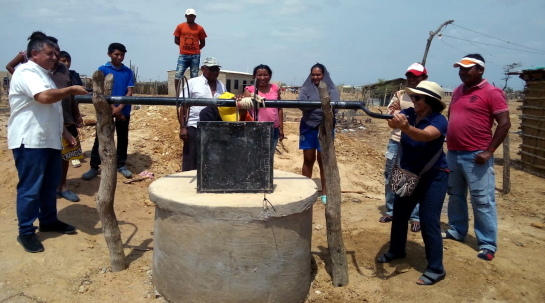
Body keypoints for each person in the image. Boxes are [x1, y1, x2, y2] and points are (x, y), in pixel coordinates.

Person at [8, 37, 88, 253]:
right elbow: (44, 98)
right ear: (34, 54)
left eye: (56, 53)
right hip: (31, 140)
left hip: (50, 140)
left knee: (49, 185)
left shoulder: (45, 75)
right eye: (50, 54)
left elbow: (53, 108)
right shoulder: (26, 72)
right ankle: (26, 231)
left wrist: (64, 133)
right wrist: (70, 90)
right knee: (30, 188)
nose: (55, 57)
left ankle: (48, 220)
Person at [377, 81, 449, 285]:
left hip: (434, 177)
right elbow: (392, 123)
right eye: (413, 97)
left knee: (428, 221)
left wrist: (405, 127)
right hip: (409, 174)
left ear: (431, 101)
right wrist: (395, 121)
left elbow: (426, 136)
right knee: (399, 215)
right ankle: (397, 250)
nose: (413, 100)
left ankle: (436, 268)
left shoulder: (439, 120)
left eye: (418, 97)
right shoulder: (408, 113)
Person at [444, 54, 511, 261]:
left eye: (467, 69)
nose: (462, 72)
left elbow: (504, 123)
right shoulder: (457, 91)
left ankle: (487, 243)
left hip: (476, 155)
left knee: (482, 201)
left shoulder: (492, 92)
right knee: (455, 195)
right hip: (454, 153)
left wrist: (489, 150)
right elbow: (451, 117)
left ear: (480, 70)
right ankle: (457, 230)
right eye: (461, 69)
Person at [380, 63, 428, 232]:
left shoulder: (429, 95)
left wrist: (402, 120)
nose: (413, 79)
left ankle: (415, 216)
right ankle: (392, 210)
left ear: (424, 78)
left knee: (415, 177)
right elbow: (391, 118)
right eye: (410, 76)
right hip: (397, 141)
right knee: (390, 175)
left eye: (417, 76)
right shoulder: (400, 94)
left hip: (418, 142)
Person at [82, 43, 135, 180]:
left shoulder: (128, 72)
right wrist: (113, 109)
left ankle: (121, 165)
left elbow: (129, 92)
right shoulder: (102, 70)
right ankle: (94, 166)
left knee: (123, 138)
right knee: (101, 137)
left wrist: (119, 109)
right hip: (106, 111)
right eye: (116, 54)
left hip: (124, 111)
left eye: (122, 55)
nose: (119, 57)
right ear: (109, 54)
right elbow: (100, 92)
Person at [298, 63, 339, 204]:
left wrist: (312, 107)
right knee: (308, 159)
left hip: (326, 128)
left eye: (318, 74)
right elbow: (301, 104)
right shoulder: (305, 88)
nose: (315, 77)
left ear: (324, 75)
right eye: (313, 74)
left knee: (324, 162)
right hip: (308, 127)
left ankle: (325, 193)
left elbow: (334, 108)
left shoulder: (331, 89)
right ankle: (305, 191)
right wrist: (321, 106)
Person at [49, 44, 84, 202]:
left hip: (67, 119)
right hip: (47, 121)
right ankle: (49, 188)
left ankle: (62, 186)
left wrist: (76, 114)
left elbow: (72, 95)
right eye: (52, 51)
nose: (55, 55)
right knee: (49, 156)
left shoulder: (65, 71)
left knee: (67, 155)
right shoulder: (40, 71)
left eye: (57, 51)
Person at [179, 57, 226, 171]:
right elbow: (183, 106)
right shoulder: (192, 83)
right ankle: (188, 184)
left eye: (216, 69)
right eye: (211, 69)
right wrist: (183, 127)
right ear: (203, 69)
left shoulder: (221, 86)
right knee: (191, 158)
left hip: (215, 128)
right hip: (195, 126)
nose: (215, 72)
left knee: (212, 159)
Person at [243, 64, 284, 155]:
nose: (262, 77)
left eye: (265, 75)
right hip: (255, 129)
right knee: (255, 156)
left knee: (269, 157)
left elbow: (279, 108)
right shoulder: (249, 91)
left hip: (273, 129)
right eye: (259, 75)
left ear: (270, 76)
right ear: (254, 76)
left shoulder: (275, 88)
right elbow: (244, 110)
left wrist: (281, 129)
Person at [58, 50, 85, 168]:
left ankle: (73, 158)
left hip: (68, 112)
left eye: (68, 61)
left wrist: (77, 114)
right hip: (55, 112)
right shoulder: (50, 75)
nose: (67, 63)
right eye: (63, 61)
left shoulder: (72, 74)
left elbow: (75, 96)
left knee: (71, 136)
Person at [173, 8, 207, 90]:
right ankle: (177, 94)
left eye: (193, 16)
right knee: (178, 74)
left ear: (195, 17)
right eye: (189, 16)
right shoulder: (180, 26)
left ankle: (192, 93)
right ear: (186, 16)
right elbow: (176, 40)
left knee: (194, 76)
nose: (191, 17)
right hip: (183, 55)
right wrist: (183, 47)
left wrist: (195, 49)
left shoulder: (199, 28)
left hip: (195, 56)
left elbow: (203, 43)